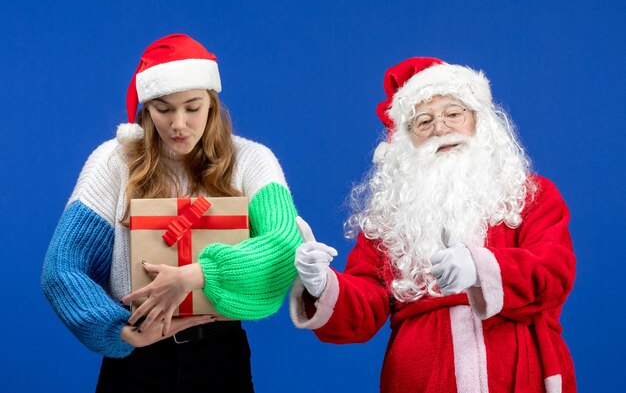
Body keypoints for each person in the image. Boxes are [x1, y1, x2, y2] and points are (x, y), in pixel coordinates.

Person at [289, 57, 576, 393]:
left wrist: (480, 268)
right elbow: (365, 306)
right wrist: (322, 285)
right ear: (406, 141)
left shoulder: (530, 195)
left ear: (479, 120)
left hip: (517, 372)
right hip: (420, 378)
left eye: (454, 113)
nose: (441, 128)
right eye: (424, 122)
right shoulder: (389, 217)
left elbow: (555, 269)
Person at [41, 33, 300, 393]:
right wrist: (119, 332)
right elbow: (62, 267)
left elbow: (284, 245)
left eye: (192, 107)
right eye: (164, 108)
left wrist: (196, 275)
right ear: (147, 108)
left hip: (222, 358)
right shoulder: (114, 162)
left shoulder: (252, 161)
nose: (179, 124)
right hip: (136, 362)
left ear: (212, 103)